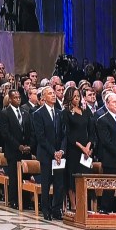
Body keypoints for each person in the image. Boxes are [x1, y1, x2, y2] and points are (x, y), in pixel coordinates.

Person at [32, 86, 67, 220]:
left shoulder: (60, 113)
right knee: (46, 183)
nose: (53, 95)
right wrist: (53, 152)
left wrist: (61, 151)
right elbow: (41, 137)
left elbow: (64, 134)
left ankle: (57, 209)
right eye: (50, 93)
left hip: (59, 155)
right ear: (43, 97)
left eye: (54, 93)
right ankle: (46, 209)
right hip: (46, 154)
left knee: (59, 183)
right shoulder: (38, 114)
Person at [0, 89, 35, 209]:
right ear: (10, 99)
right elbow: (5, 133)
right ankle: (14, 200)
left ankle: (26, 201)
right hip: (13, 151)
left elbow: (31, 131)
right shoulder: (5, 113)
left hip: (26, 151)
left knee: (25, 176)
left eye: (19, 97)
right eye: (15, 98)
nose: (18, 99)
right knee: (14, 177)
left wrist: (29, 146)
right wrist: (18, 146)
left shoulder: (25, 112)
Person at [61, 87, 95, 211]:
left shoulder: (85, 111)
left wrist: (88, 146)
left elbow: (91, 131)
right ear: (69, 98)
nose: (77, 98)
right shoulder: (65, 112)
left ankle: (85, 205)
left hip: (86, 151)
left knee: (85, 176)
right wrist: (81, 147)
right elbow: (68, 134)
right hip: (74, 150)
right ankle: (74, 206)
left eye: (78, 96)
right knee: (73, 178)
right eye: (74, 96)